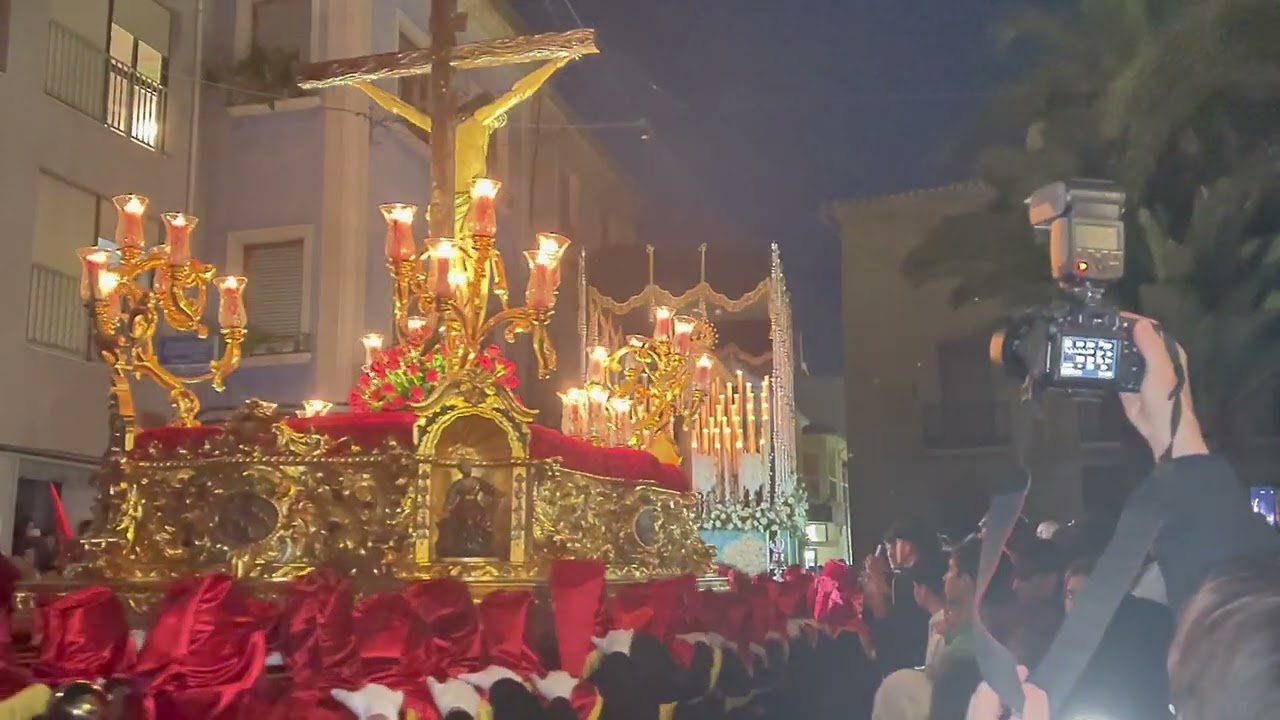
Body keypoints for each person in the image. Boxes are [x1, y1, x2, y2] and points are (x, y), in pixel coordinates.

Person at [863, 521, 940, 672]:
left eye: (896, 544)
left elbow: (886, 614)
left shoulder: (908, 577)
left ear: (907, 546)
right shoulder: (931, 569)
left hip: (909, 657)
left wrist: (875, 576)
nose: (891, 552)